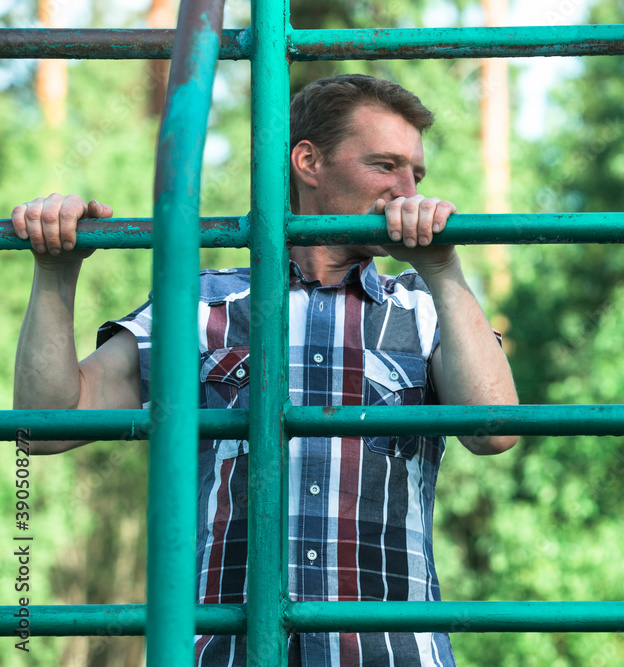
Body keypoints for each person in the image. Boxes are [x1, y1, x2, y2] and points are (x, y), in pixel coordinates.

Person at [12, 74, 519, 666]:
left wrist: (442, 267)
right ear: (309, 161)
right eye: (386, 166)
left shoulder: (426, 307)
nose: (407, 191)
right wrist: (55, 272)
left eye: (417, 175)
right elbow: (45, 426)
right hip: (229, 652)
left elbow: (495, 429)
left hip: (388, 653)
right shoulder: (201, 307)